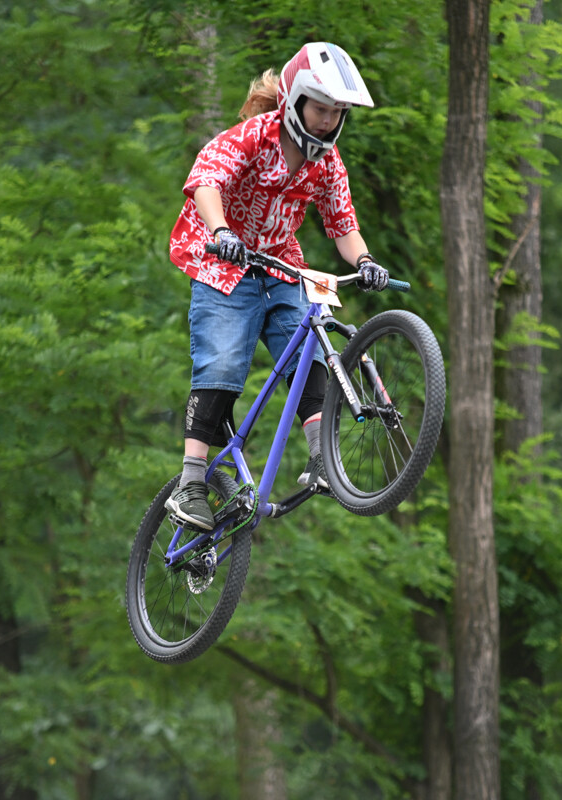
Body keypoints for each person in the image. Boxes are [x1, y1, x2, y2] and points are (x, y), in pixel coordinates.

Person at [164, 41, 390, 531]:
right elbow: (207, 180)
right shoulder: (252, 137)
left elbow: (343, 225)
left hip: (282, 268)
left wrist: (367, 260)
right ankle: (190, 484)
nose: (329, 121)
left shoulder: (327, 163)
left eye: (337, 112)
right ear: (294, 103)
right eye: (321, 109)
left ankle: (321, 459)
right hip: (224, 264)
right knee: (221, 362)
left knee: (309, 350)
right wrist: (222, 232)